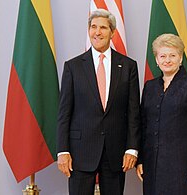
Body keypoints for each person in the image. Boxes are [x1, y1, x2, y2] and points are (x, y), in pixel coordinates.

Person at [56, 9, 141, 195]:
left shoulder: (128, 66)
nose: (97, 32)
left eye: (103, 27)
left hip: (116, 151)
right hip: (80, 152)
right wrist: (62, 150)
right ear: (88, 31)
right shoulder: (73, 66)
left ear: (112, 32)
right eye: (93, 27)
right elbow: (64, 112)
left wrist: (132, 148)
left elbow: (133, 111)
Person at [136, 33, 187, 195]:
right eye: (162, 56)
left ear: (180, 58)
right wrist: (140, 160)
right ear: (156, 60)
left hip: (184, 165)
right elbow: (143, 125)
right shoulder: (150, 87)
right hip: (153, 166)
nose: (167, 60)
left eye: (172, 55)